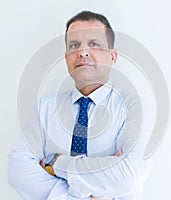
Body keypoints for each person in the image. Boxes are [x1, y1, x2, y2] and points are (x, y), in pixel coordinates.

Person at [8, 10, 155, 200]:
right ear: (66, 57)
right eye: (74, 45)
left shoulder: (137, 108)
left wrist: (57, 163)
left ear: (112, 57)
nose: (83, 52)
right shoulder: (45, 107)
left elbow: (128, 176)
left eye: (94, 44)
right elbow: (18, 171)